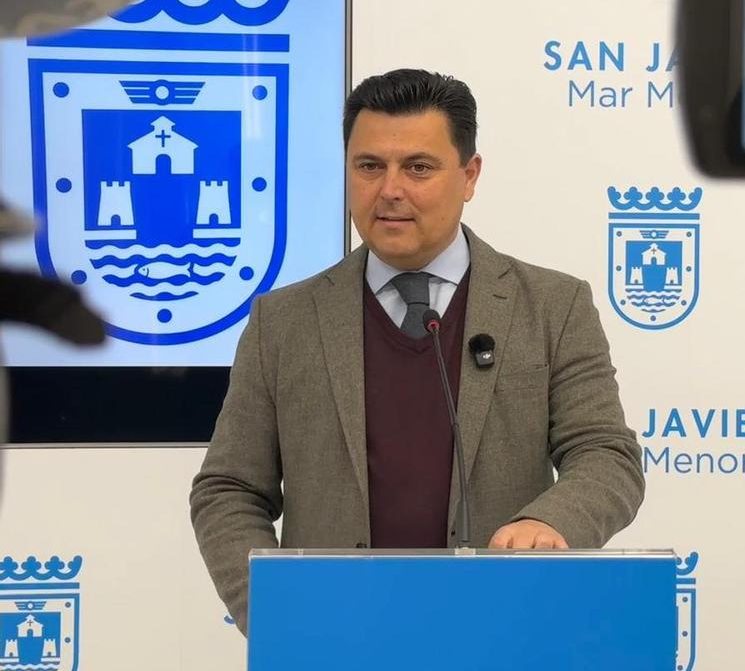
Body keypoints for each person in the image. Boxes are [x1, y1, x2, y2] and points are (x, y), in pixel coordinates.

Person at [190, 69, 645, 633]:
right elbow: (228, 489)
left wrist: (549, 521)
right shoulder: (282, 321)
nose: (390, 190)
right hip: (334, 641)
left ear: (470, 175)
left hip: (507, 632)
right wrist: (273, 610)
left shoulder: (554, 306)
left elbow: (607, 456)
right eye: (369, 166)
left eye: (419, 168)